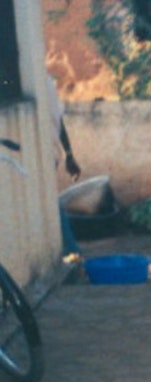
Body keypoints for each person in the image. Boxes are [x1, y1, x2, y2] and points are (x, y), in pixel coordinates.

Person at [46, 73, 82, 260]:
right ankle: (71, 250)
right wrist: (69, 154)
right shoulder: (46, 82)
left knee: (50, 204)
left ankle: (72, 250)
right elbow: (59, 121)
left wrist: (69, 154)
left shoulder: (39, 82)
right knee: (51, 203)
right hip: (51, 152)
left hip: (43, 153)